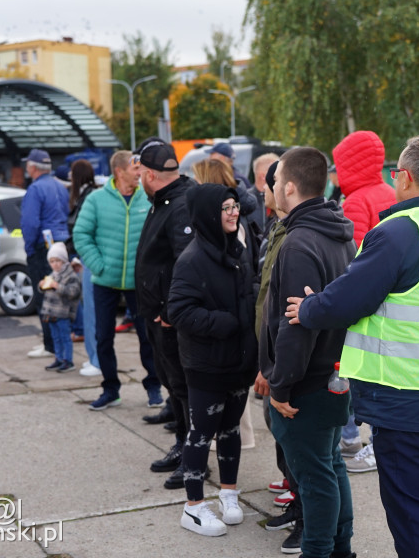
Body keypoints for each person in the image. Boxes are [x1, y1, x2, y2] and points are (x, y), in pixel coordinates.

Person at [285, 134, 419, 558]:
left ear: (405, 178)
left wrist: (308, 309)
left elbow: (348, 299)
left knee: (412, 509)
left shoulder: (399, 232)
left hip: (406, 399)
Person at [265, 147, 357, 558]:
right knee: (331, 468)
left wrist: (281, 386)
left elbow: (295, 327)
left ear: (288, 186)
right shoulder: (335, 231)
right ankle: (341, 550)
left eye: (276, 180)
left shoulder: (301, 243)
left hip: (307, 384)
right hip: (332, 376)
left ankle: (319, 552)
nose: (272, 188)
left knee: (317, 478)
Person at [167, 184, 258, 537]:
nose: (234, 212)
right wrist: (223, 323)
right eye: (226, 208)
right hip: (206, 364)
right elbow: (178, 311)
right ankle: (193, 507)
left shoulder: (236, 249)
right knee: (201, 434)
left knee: (231, 430)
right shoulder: (191, 259)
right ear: (208, 214)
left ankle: (229, 494)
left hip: (237, 362)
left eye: (235, 206)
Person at [73, 150, 163, 411]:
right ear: (119, 171)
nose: (139, 173)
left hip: (139, 284)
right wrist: (99, 266)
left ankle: (154, 386)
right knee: (103, 337)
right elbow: (81, 235)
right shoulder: (97, 200)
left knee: (148, 338)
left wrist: (148, 270)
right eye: (135, 168)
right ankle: (111, 389)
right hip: (104, 282)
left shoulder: (148, 200)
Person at [331, 130, 397, 471]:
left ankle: (353, 437)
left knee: (352, 375)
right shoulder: (390, 191)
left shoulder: (356, 201)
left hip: (364, 306)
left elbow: (352, 260)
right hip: (394, 306)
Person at [133, 137, 196, 489]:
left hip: (171, 318)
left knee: (184, 388)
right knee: (173, 383)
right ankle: (181, 446)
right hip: (157, 313)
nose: (138, 176)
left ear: (152, 175)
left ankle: (192, 457)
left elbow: (184, 262)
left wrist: (172, 309)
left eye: (141, 170)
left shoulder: (181, 204)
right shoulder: (162, 200)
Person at [253, 161, 305, 552]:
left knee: (311, 460)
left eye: (270, 181)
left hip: (291, 369)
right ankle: (295, 502)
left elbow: (292, 317)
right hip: (271, 360)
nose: (264, 188)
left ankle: (308, 523)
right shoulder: (277, 230)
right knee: (283, 440)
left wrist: (278, 374)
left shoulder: (297, 238)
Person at [20, 147, 70, 359]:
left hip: (42, 249)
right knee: (60, 296)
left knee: (44, 296)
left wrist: (29, 248)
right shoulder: (60, 187)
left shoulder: (35, 189)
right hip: (61, 245)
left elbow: (30, 223)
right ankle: (60, 345)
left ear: (32, 167)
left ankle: (50, 345)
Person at [67, 159, 102, 376]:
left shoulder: (88, 196)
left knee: (92, 314)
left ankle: (96, 360)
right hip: (85, 258)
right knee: (91, 313)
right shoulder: (90, 194)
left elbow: (86, 231)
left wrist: (83, 257)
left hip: (88, 260)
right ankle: (95, 358)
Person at [40, 242, 81, 373]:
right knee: (55, 338)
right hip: (50, 313)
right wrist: (41, 286)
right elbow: (45, 290)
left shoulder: (71, 275)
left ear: (64, 260)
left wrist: (57, 286)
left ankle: (68, 361)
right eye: (52, 261)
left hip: (63, 313)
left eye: (58, 260)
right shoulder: (53, 274)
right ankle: (59, 358)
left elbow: (73, 292)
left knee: (65, 338)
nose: (55, 264)